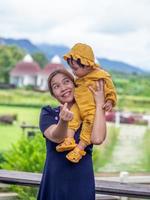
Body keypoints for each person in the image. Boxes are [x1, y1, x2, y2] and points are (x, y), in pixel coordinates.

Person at [37, 68, 106, 200]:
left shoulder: (90, 117)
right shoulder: (48, 113)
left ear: (75, 85)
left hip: (81, 184)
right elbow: (57, 137)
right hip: (55, 184)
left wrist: (99, 104)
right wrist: (63, 121)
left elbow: (97, 138)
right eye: (56, 86)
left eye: (66, 82)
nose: (63, 88)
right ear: (53, 94)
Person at [56, 43, 117, 163]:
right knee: (71, 118)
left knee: (87, 129)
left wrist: (109, 101)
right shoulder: (79, 78)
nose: (73, 72)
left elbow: (110, 90)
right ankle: (69, 139)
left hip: (92, 110)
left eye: (75, 69)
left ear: (87, 65)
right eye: (71, 69)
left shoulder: (101, 77)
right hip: (79, 107)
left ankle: (79, 149)